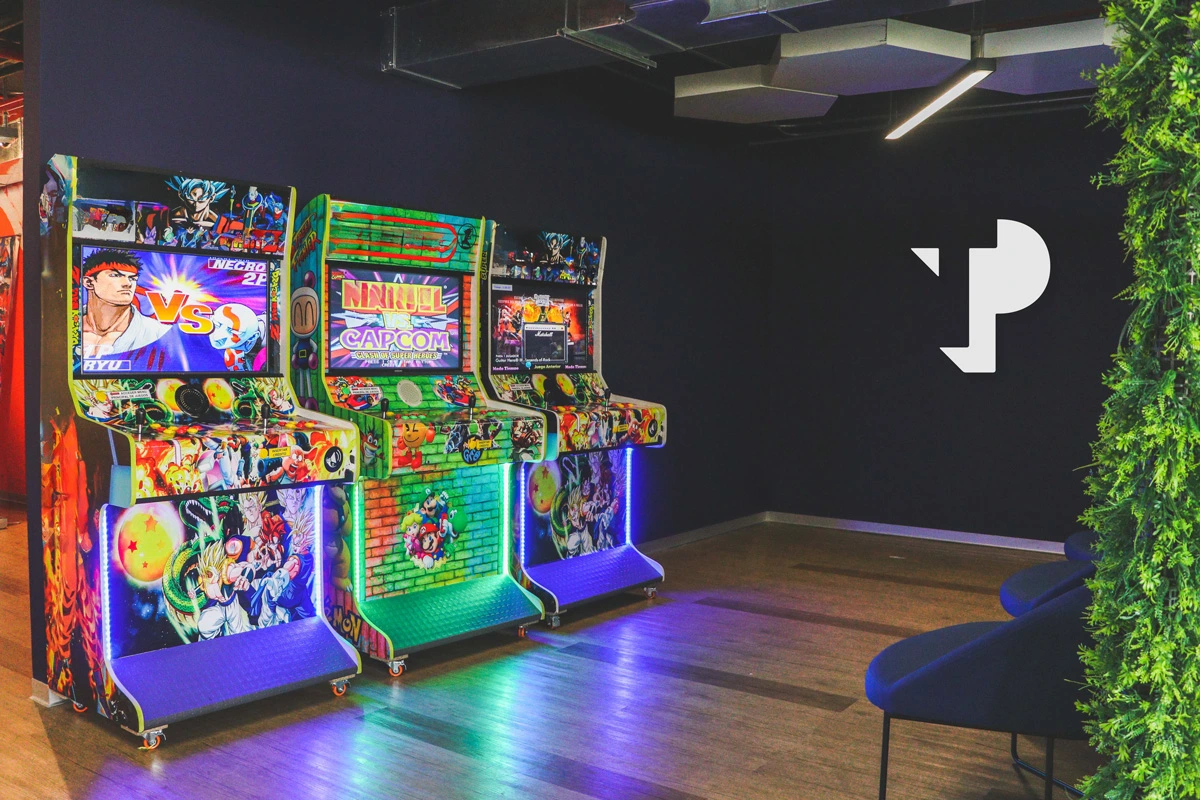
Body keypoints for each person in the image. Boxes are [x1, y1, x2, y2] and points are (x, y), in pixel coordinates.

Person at [80, 248, 169, 359]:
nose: (127, 283)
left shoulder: (157, 333)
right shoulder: (65, 328)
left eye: (132, 278)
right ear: (88, 282)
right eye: (115, 275)